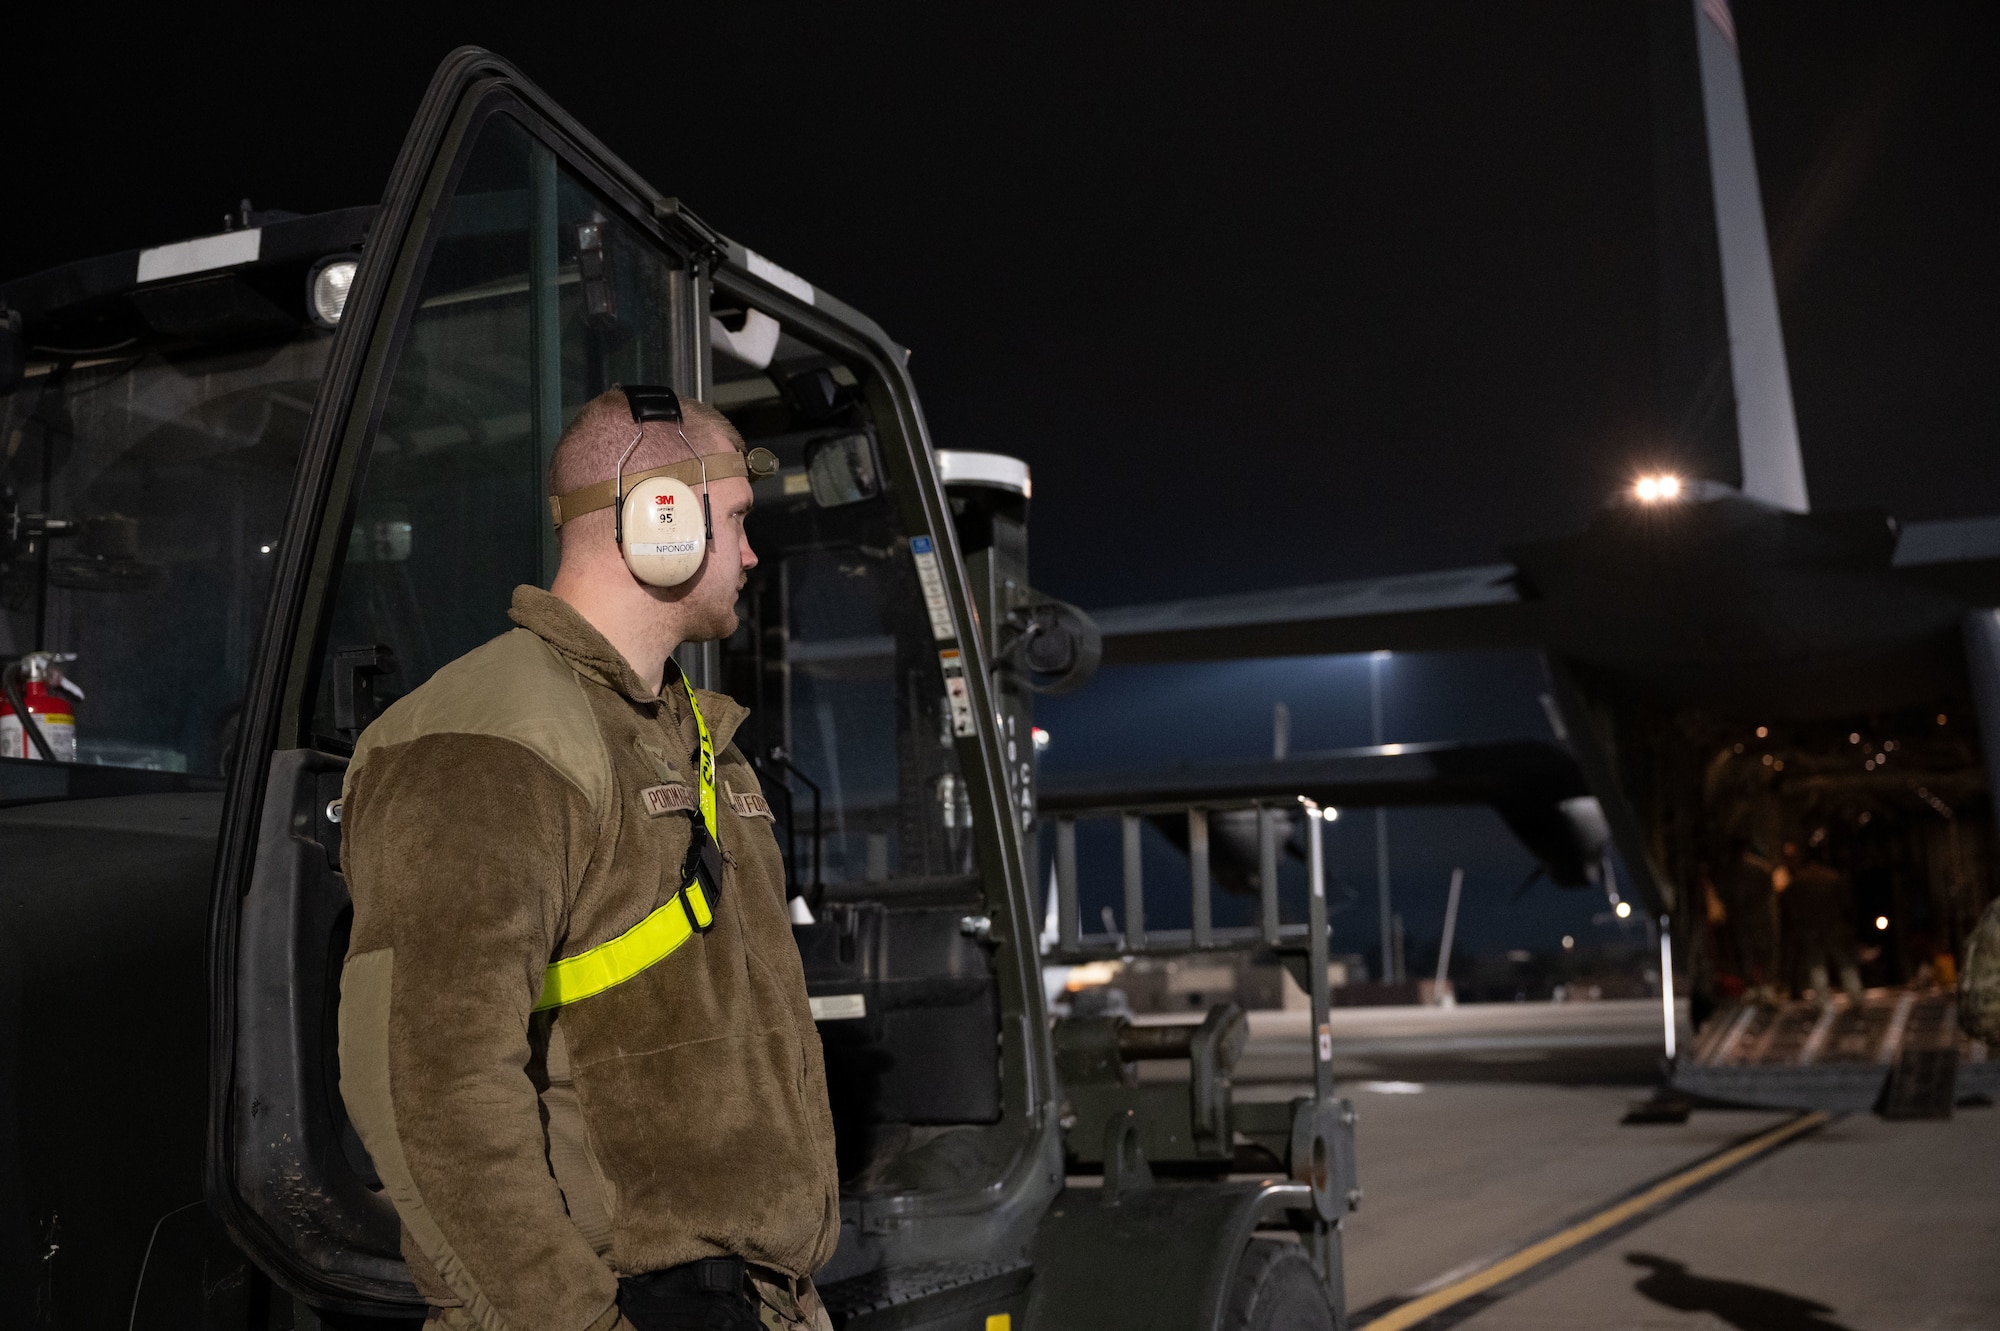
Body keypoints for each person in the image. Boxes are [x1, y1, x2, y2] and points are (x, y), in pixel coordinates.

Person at [336, 386, 837, 1331]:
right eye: (734, 523)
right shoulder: (489, 737)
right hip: (625, 1305)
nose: (749, 552)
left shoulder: (690, 737)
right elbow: (428, 1086)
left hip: (748, 1301)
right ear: (662, 518)